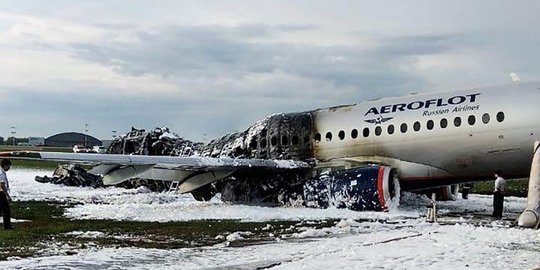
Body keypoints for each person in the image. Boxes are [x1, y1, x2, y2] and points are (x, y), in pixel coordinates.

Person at [0, 159, 13, 229]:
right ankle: (7, 226)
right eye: (8, 166)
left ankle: (7, 226)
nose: (9, 168)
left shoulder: (1, 172)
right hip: (1, 193)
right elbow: (2, 185)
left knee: (3, 210)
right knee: (6, 210)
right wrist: (7, 196)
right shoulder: (1, 173)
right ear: (5, 165)